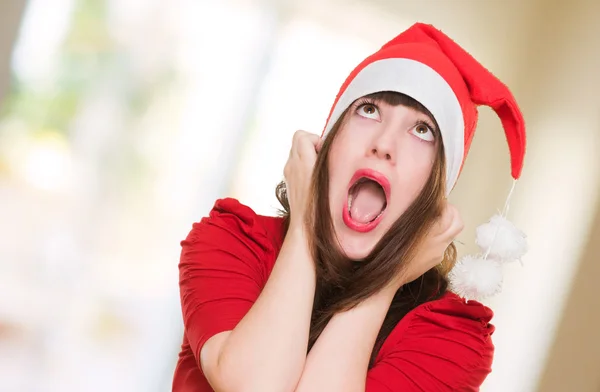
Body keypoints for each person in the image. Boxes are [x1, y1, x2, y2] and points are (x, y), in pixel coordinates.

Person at [172, 22, 527, 392]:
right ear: (326, 144)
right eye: (369, 110)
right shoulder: (232, 242)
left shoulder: (450, 338)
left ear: (437, 190)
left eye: (422, 130)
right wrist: (306, 226)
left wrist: (386, 279)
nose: (384, 143)